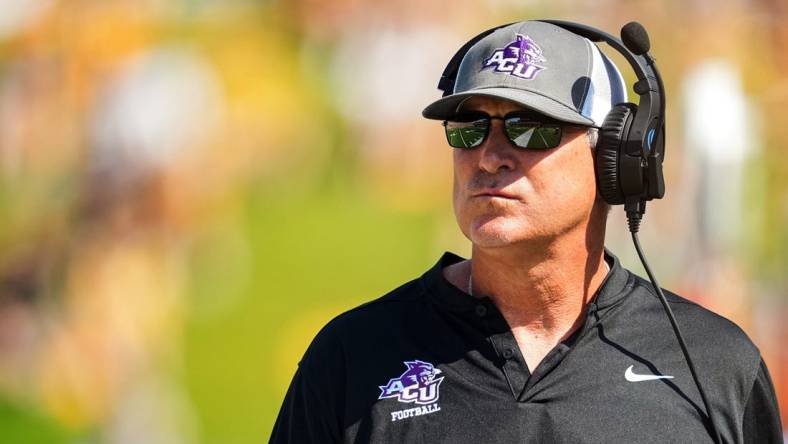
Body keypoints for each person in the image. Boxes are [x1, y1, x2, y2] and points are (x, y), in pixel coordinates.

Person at [269, 20, 782, 443]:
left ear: (616, 159)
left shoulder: (715, 364)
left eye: (531, 127)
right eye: (469, 127)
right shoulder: (353, 357)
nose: (489, 157)